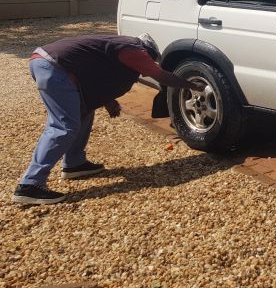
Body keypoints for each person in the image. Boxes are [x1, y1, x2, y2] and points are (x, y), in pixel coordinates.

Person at [12, 33, 204, 205]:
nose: (147, 64)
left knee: (84, 112)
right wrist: (190, 85)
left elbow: (98, 73)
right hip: (54, 68)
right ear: (147, 51)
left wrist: (107, 100)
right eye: (150, 59)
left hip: (48, 63)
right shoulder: (133, 50)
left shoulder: (115, 46)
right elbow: (159, 75)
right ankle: (30, 184)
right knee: (64, 126)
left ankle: (74, 163)